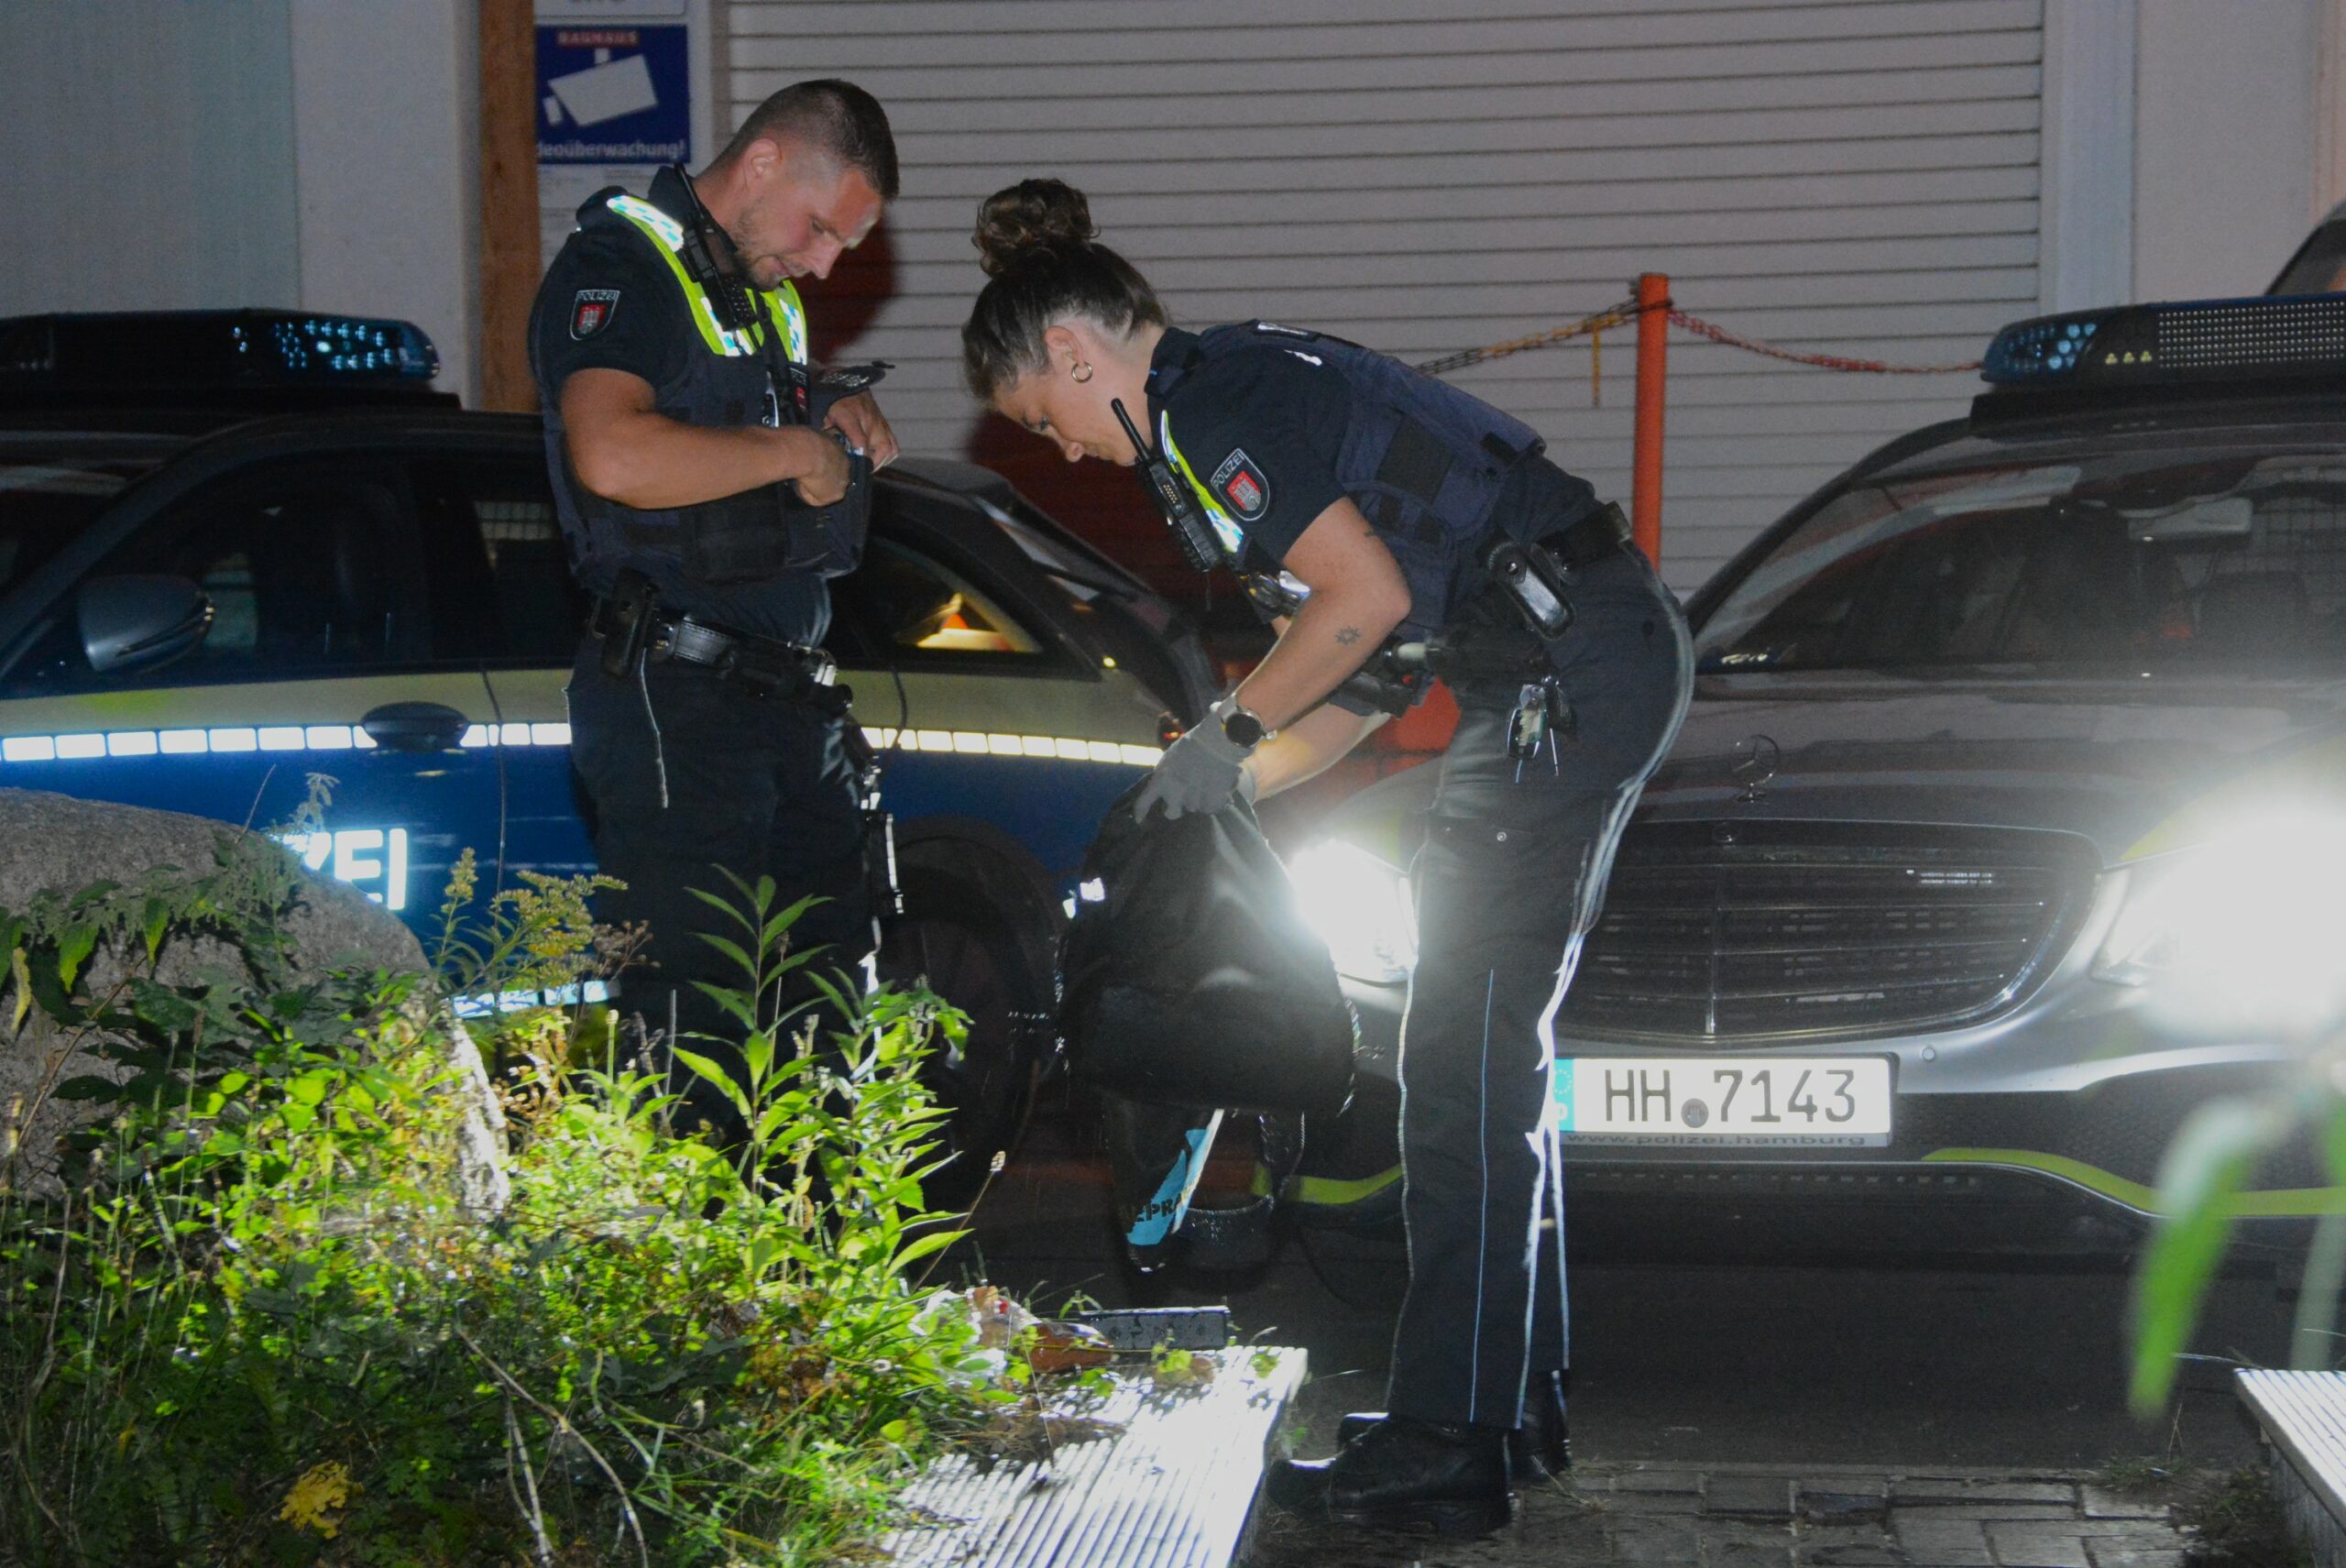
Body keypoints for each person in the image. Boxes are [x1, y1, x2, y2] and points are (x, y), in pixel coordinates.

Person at [959, 180, 1693, 1537]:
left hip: (1564, 672)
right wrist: (1214, 785)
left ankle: (1448, 1447)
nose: (1057, 451)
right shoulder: (1233, 400)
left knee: (1463, 1063)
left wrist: (1226, 733)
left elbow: (1361, 608)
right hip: (1553, 664)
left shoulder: (1216, 406)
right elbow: (1359, 669)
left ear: (1073, 356)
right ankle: (1505, 1408)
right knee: (1482, 1062)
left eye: (1037, 420)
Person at [529, 81, 902, 1142]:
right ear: (765, 162)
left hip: (785, 704)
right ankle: (697, 1295)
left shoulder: (753, 288)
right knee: (692, 1024)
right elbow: (612, 452)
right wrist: (792, 450)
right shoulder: (619, 267)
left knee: (822, 1013)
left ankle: (803, 1279)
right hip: (677, 697)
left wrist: (826, 403)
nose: (827, 263)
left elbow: (723, 406)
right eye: (822, 229)